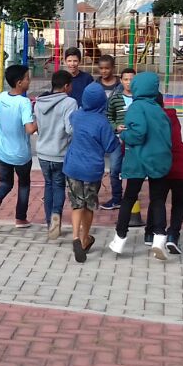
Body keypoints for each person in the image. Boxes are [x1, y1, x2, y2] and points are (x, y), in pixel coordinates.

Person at [108, 72, 172, 260]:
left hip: (138, 159)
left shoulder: (136, 107)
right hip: (159, 159)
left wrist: (124, 136)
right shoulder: (159, 110)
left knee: (129, 198)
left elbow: (138, 133)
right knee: (158, 200)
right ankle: (159, 238)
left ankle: (120, 238)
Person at [65, 84, 119, 262]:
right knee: (88, 205)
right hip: (91, 169)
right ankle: (84, 237)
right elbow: (111, 146)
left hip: (72, 165)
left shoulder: (76, 116)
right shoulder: (102, 122)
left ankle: (74, 237)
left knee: (76, 204)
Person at [0, 64, 38, 229]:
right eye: (27, 78)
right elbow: (29, 129)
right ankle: (20, 218)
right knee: (24, 184)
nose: (30, 81)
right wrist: (40, 119)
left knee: (5, 182)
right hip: (20, 153)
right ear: (19, 82)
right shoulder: (24, 102)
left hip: (1, 148)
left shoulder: (1, 97)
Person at [35, 70, 76, 241]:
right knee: (59, 185)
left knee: (48, 185)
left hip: (43, 152)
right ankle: (56, 216)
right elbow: (70, 129)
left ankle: (48, 221)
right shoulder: (70, 102)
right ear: (66, 86)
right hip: (60, 153)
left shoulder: (39, 102)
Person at [159, 95, 183, 256]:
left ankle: (158, 236)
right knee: (178, 204)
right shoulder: (172, 116)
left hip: (164, 166)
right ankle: (173, 235)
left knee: (158, 201)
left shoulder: (150, 119)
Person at [101, 67, 136, 210]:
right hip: (118, 140)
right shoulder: (115, 99)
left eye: (132, 79)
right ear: (121, 81)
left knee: (136, 171)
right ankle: (117, 198)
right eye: (126, 79)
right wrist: (115, 127)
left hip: (135, 141)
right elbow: (108, 117)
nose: (129, 83)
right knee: (115, 169)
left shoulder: (140, 98)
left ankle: (132, 198)